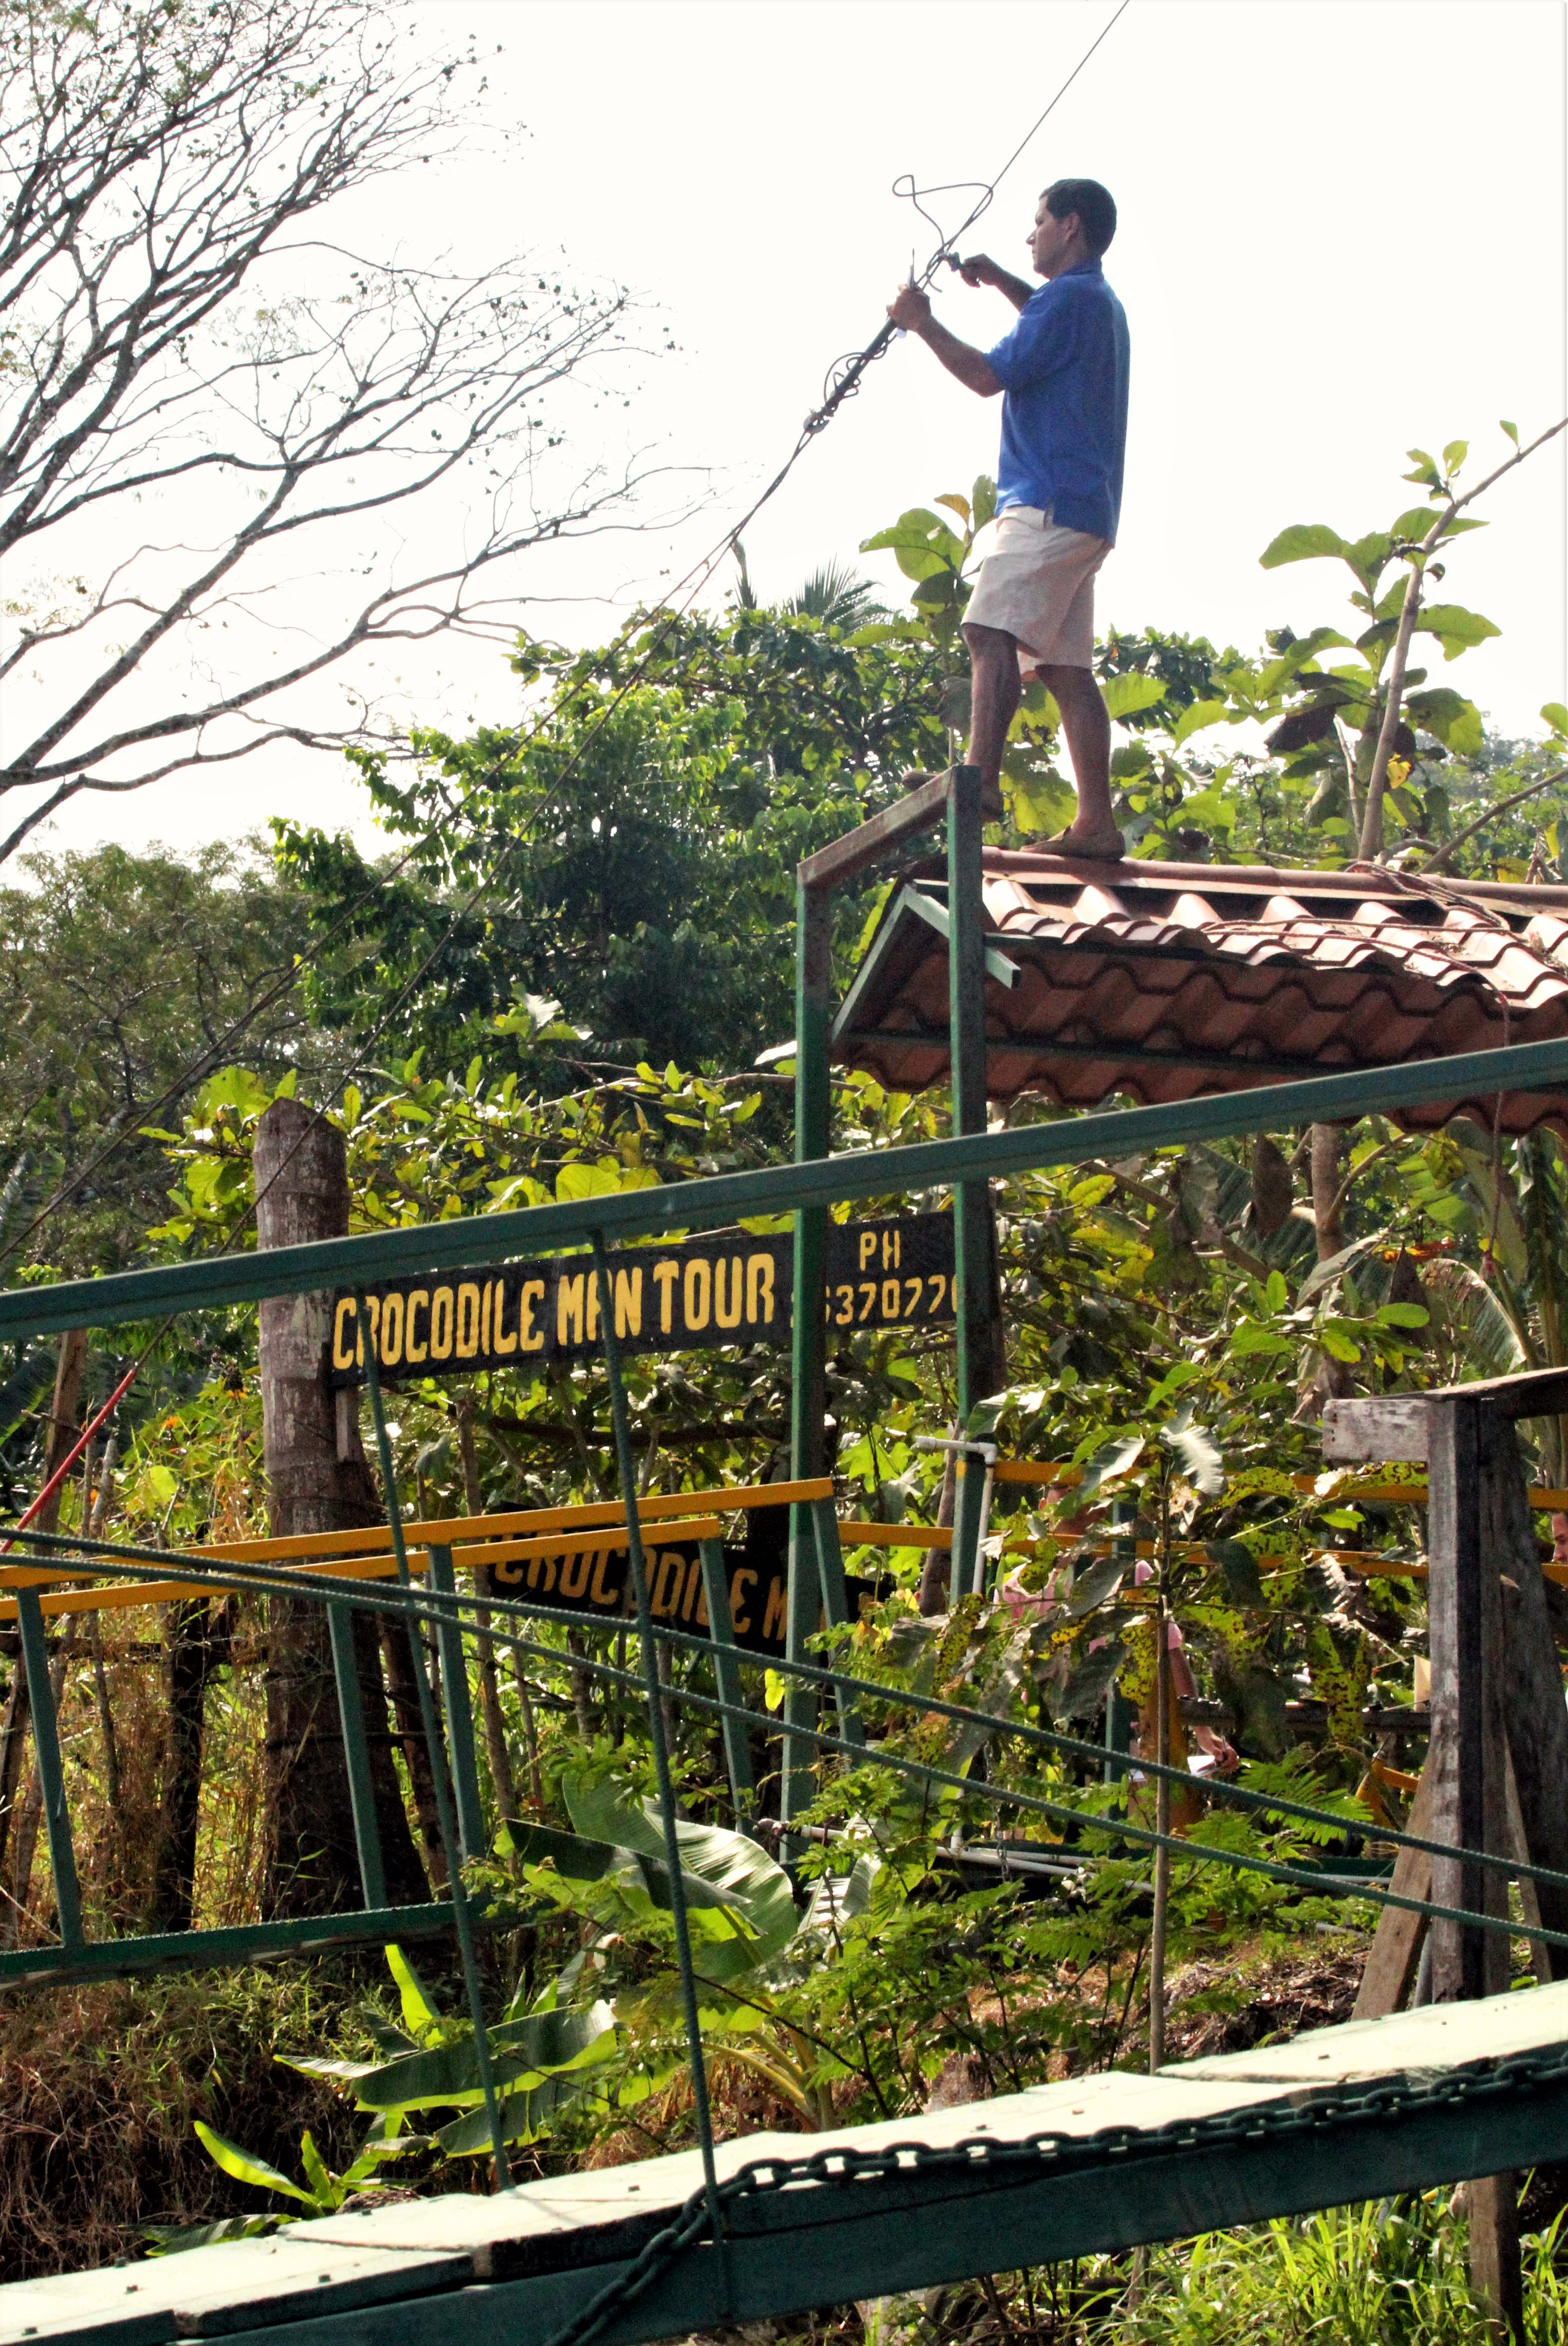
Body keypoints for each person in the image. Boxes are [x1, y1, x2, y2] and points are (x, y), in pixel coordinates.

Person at [887, 177, 1130, 859]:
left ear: (1069, 227)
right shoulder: (1090, 302)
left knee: (987, 629)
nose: (1030, 235)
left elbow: (985, 375)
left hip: (1045, 501)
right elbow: (1038, 319)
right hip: (1085, 508)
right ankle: (1095, 826)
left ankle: (979, 781)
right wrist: (997, 280)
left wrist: (921, 323)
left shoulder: (1068, 302)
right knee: (1063, 669)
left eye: (1039, 222)